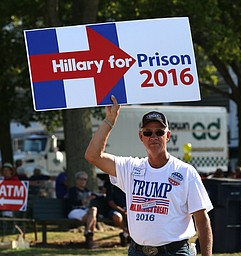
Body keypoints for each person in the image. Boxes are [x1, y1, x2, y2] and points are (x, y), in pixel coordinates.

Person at [85, 95, 213, 256]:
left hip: (175, 252)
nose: (154, 137)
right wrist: (109, 121)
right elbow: (93, 156)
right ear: (141, 137)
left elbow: (202, 219)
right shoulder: (131, 168)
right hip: (138, 251)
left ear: (167, 136)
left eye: (159, 132)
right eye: (148, 132)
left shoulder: (185, 172)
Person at [67, 171, 98, 249]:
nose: (84, 181)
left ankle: (87, 232)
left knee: (93, 211)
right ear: (77, 180)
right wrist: (88, 199)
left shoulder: (87, 191)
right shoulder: (73, 190)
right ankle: (90, 240)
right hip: (74, 211)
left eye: (85, 179)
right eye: (82, 179)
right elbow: (74, 202)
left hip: (85, 212)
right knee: (93, 218)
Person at [104, 177, 129, 246]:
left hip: (128, 210)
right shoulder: (111, 187)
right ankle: (125, 232)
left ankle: (127, 236)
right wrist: (123, 211)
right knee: (117, 216)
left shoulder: (128, 185)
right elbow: (111, 203)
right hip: (115, 210)